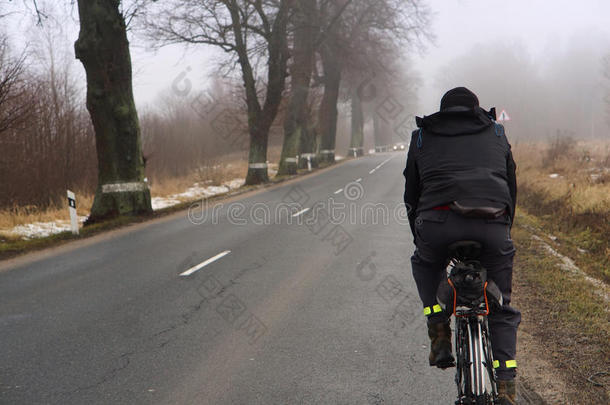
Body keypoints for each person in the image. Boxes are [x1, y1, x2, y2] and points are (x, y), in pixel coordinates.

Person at [403, 87, 521, 404]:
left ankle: (439, 331)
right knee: (502, 307)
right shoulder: (497, 131)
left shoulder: (421, 136)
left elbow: (411, 194)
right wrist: (503, 229)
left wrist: (422, 238)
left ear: (442, 112)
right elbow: (510, 186)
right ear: (476, 109)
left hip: (436, 224)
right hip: (492, 223)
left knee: (424, 265)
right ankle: (506, 386)